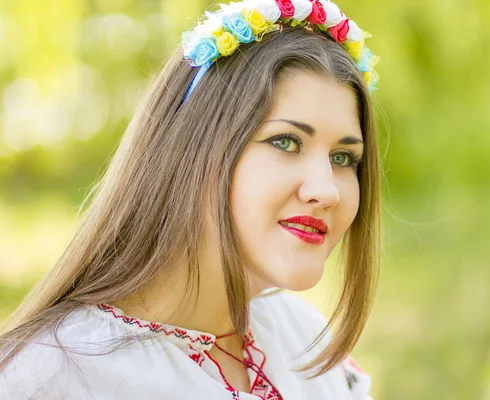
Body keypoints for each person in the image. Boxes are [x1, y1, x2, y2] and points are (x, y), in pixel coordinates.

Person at [0, 0, 381, 398]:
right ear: (195, 151)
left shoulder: (302, 337)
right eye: (285, 142)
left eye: (343, 158)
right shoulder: (55, 375)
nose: (326, 190)